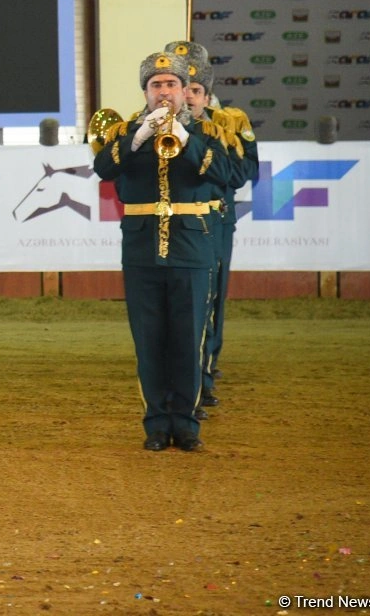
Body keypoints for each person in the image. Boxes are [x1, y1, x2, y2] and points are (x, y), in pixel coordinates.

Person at [92, 51, 240, 452]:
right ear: (145, 92)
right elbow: (104, 168)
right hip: (142, 251)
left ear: (183, 90)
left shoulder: (208, 131)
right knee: (149, 341)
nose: (164, 91)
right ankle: (156, 423)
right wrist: (139, 136)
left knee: (188, 340)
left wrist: (185, 137)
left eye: (171, 84)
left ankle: (186, 425)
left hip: (192, 248)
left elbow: (227, 175)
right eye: (156, 85)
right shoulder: (128, 131)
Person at [167, 39, 259, 416]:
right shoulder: (155, 121)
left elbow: (242, 172)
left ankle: (204, 370)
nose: (188, 96)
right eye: (182, 87)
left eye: (195, 89)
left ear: (206, 92)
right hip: (171, 222)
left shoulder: (227, 123)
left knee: (210, 298)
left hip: (214, 221)